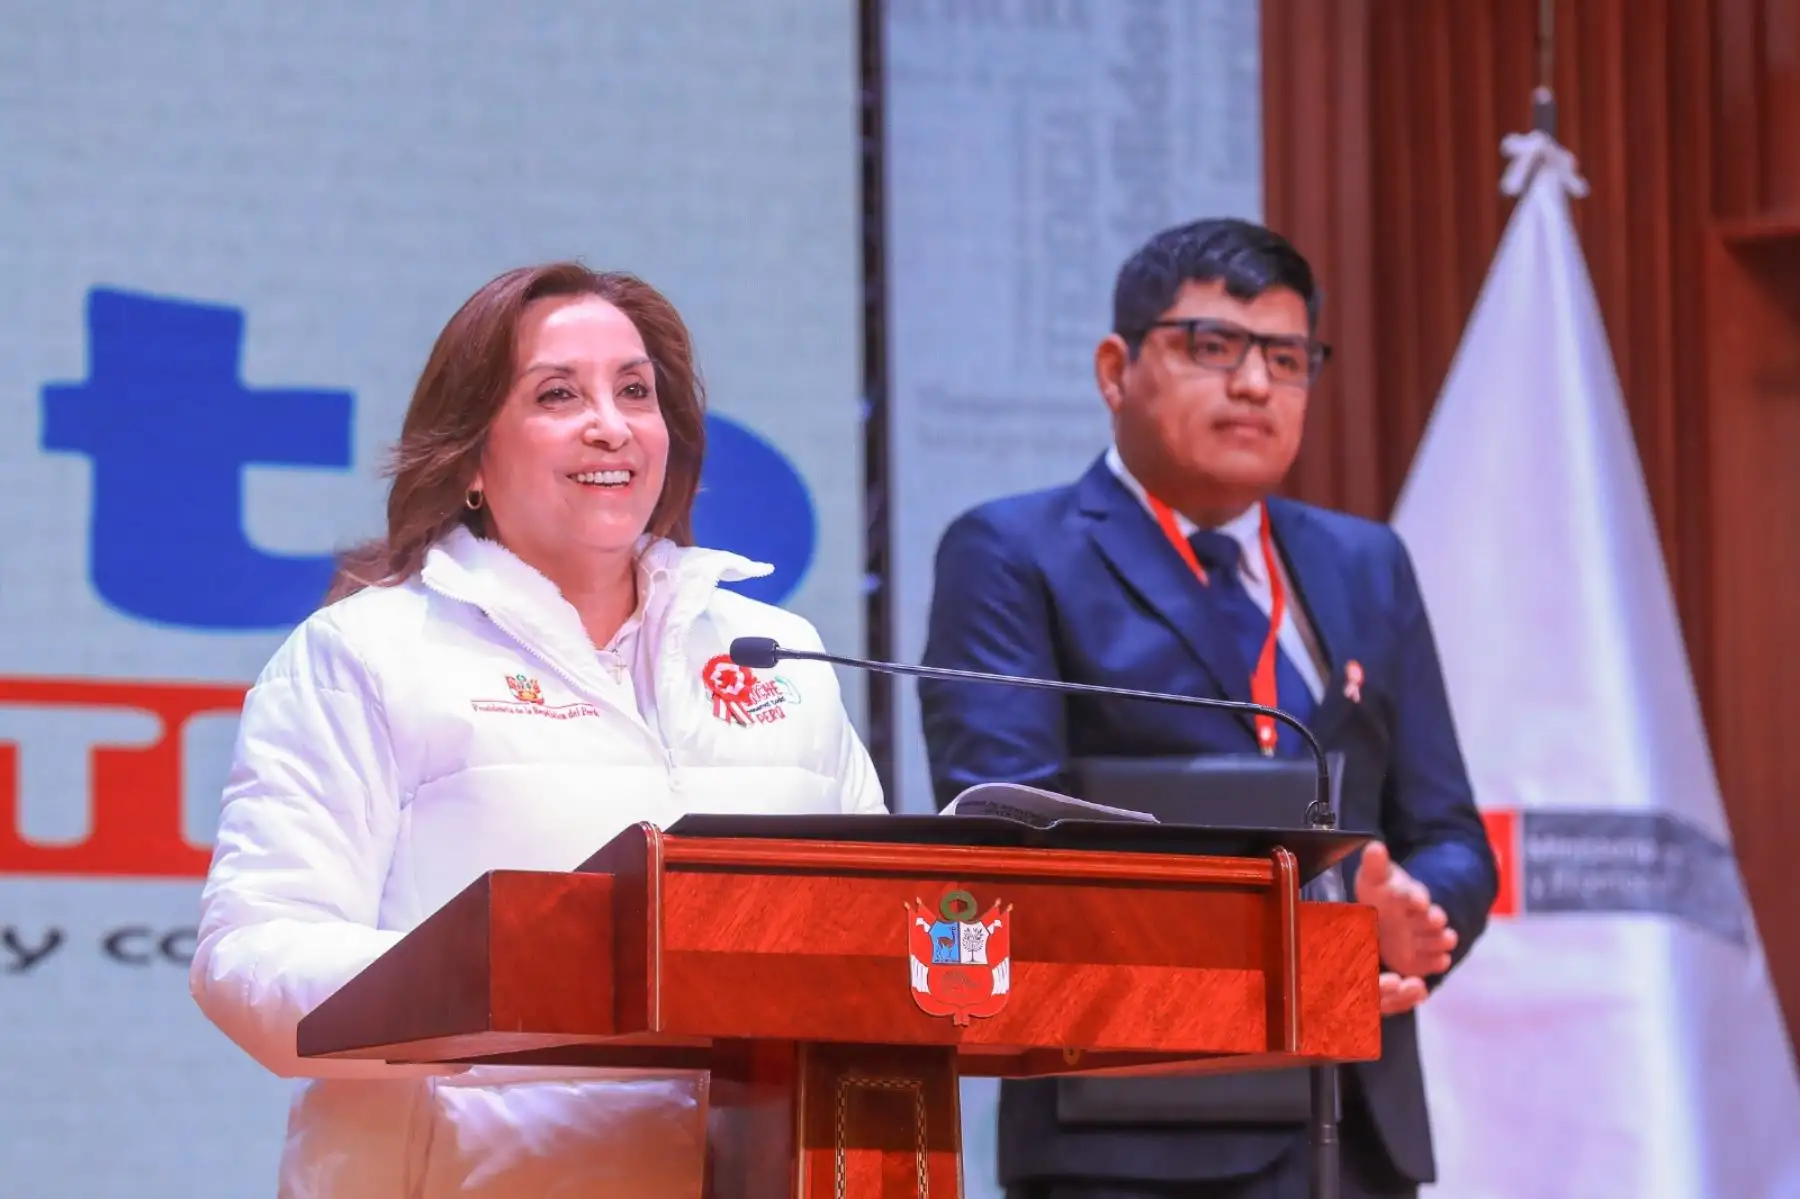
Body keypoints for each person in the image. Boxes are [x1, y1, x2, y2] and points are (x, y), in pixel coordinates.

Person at [190, 262, 884, 1198]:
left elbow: (878, 927)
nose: (611, 421)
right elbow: (249, 959)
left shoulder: (782, 657)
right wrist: (504, 970)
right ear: (470, 457)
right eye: (559, 393)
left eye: (635, 391)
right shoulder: (367, 651)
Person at [918, 218, 1498, 1199]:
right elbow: (1016, 843)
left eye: (1285, 357)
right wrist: (1322, 923)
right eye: (1212, 347)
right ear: (1116, 368)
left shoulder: (1365, 563)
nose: (1254, 385)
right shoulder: (1014, 553)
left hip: (1356, 1130)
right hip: (1135, 1132)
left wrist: (1414, 914)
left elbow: (1447, 833)